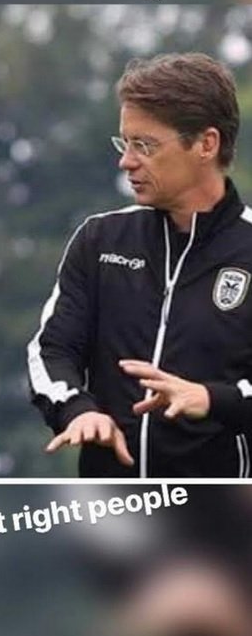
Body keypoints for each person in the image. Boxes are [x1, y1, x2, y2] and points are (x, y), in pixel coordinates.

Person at [28, 52, 252, 477]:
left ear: (206, 144)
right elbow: (50, 350)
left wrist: (212, 399)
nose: (126, 161)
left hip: (223, 510)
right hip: (110, 510)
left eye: (144, 145)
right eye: (124, 143)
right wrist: (77, 409)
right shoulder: (99, 239)